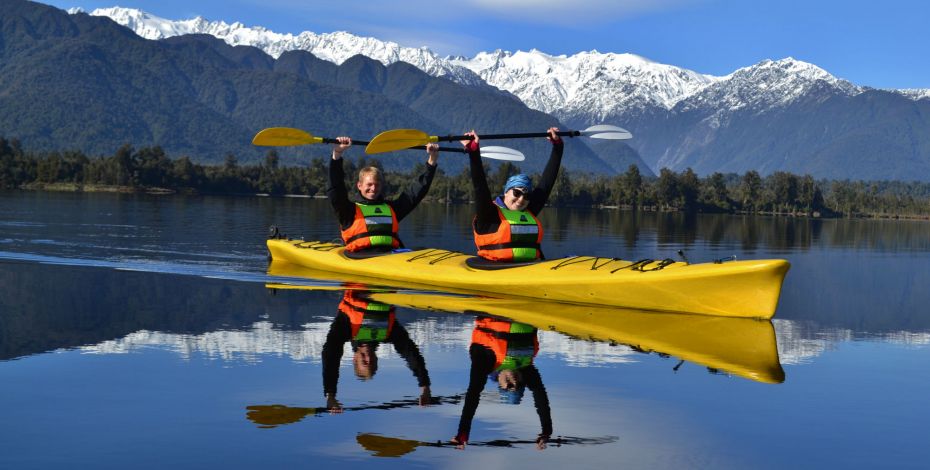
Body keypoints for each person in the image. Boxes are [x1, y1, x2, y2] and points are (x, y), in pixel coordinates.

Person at [450, 315, 552, 450]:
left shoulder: (485, 361)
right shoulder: (526, 368)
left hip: (495, 313)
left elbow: (473, 394)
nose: (514, 382)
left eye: (508, 386)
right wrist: (546, 431)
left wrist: (463, 432)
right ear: (523, 381)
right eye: (519, 386)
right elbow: (541, 397)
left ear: (499, 382)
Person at [462, 128, 563, 262]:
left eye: (527, 196)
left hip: (530, 268)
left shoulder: (528, 211)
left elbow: (547, 182)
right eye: (517, 193)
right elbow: (479, 186)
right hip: (492, 269)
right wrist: (474, 152)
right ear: (506, 192)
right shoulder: (489, 214)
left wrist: (558, 146)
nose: (521, 199)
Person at [322, 290, 432, 412]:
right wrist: (424, 386)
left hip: (359, 285)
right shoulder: (388, 333)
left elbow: (331, 354)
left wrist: (330, 394)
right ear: (376, 358)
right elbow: (411, 353)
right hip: (385, 289)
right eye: (372, 361)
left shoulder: (346, 328)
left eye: (364, 361)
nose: (368, 357)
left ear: (355, 358)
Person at [327, 137, 440, 253]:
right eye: (369, 184)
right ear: (359, 186)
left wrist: (432, 161)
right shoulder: (348, 211)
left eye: (377, 185)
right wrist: (337, 154)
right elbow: (336, 188)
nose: (373, 188)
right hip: (359, 257)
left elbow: (417, 191)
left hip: (391, 256)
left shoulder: (392, 209)